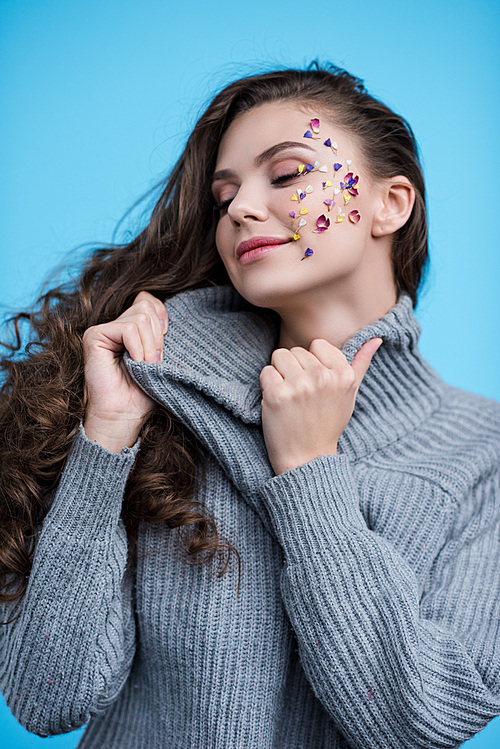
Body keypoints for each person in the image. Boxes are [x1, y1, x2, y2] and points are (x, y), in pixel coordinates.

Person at [0, 63, 499, 748]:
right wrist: (106, 436)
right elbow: (45, 695)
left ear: (392, 203)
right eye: (223, 194)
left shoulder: (484, 450)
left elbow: (413, 721)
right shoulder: (159, 389)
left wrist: (308, 470)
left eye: (287, 174)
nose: (237, 208)